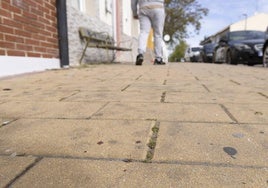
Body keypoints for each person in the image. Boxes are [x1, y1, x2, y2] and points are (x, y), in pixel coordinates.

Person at [131, 0, 166, 65]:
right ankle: (158, 58)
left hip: (144, 8)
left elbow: (133, 1)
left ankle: (140, 54)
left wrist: (134, 13)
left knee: (143, 32)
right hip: (158, 7)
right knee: (158, 34)